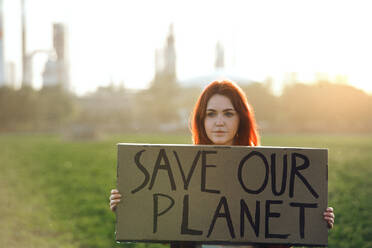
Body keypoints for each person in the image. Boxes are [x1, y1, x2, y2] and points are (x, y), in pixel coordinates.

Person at [109, 80, 335, 248]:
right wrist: (131, 205)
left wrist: (313, 218)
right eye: (211, 114)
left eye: (228, 114)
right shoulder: (184, 170)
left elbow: (278, 231)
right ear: (202, 120)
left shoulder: (263, 171)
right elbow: (169, 222)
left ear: (240, 119)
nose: (219, 122)